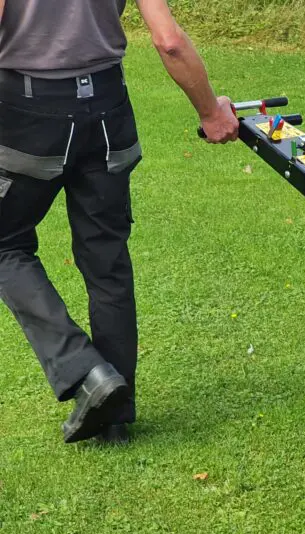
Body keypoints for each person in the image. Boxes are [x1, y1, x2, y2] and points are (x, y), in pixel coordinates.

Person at [0, 0, 239, 444]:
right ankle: (114, 419)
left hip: (29, 110)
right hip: (108, 109)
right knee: (106, 259)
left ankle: (85, 372)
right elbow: (168, 41)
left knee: (5, 245)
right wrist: (210, 111)